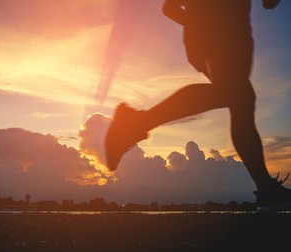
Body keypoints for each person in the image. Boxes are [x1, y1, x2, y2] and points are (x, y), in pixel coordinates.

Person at [104, 0, 290, 213]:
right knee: (236, 96)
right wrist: (201, 25)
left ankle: (266, 189)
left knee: (241, 101)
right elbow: (170, 7)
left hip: (229, 31)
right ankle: (134, 123)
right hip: (220, 31)